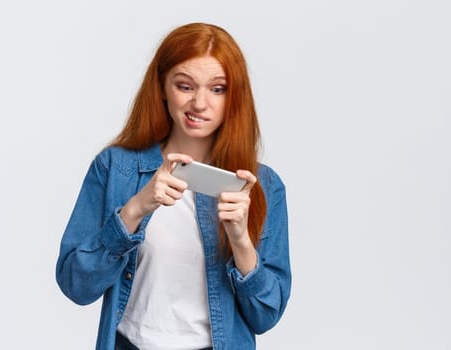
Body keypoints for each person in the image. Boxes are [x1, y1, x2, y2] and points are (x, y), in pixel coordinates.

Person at [56, 22, 291, 350]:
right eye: (185, 86)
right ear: (163, 87)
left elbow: (266, 315)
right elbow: (75, 284)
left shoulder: (261, 186)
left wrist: (240, 240)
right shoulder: (116, 168)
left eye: (218, 89)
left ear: (234, 97)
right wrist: (134, 210)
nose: (199, 103)